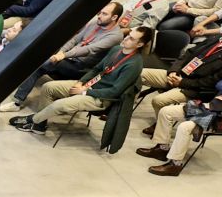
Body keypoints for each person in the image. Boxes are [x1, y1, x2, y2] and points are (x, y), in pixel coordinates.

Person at [8, 25, 150, 135]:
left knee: (59, 105)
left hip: (100, 97)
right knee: (48, 87)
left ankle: (32, 120)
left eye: (131, 38)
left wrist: (85, 92)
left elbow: (115, 91)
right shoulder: (116, 50)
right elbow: (96, 69)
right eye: (128, 35)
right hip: (88, 86)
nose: (125, 38)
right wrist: (81, 82)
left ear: (139, 45)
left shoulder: (134, 64)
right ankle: (39, 126)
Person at [137, 14, 222, 139]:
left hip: (195, 88)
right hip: (180, 74)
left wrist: (182, 83)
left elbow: (216, 80)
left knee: (158, 100)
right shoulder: (218, 38)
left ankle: (161, 127)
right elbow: (189, 53)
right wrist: (174, 70)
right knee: (138, 74)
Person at [9, 2, 124, 106]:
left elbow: (89, 49)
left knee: (40, 65)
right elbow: (75, 40)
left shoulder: (115, 36)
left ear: (114, 17)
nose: (99, 15)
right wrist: (61, 52)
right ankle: (17, 94)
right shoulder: (96, 23)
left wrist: (64, 55)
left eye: (104, 14)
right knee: (43, 49)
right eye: (100, 12)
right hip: (69, 58)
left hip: (81, 68)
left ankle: (16, 102)